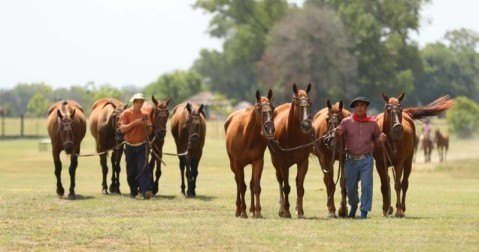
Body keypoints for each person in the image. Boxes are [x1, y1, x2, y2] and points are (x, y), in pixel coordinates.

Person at [336, 96, 387, 219]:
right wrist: (337, 134)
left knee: (366, 185)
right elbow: (338, 139)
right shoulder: (346, 122)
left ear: (366, 108)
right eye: (357, 105)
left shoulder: (373, 123)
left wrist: (381, 139)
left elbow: (376, 138)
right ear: (354, 108)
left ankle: (364, 211)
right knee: (350, 188)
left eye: (362, 105)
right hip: (350, 160)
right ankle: (353, 205)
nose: (360, 108)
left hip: (366, 160)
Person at [119, 93, 153, 200]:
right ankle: (133, 191)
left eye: (141, 102)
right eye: (137, 102)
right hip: (129, 146)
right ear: (133, 102)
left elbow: (150, 131)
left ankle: (145, 191)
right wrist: (135, 123)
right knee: (131, 171)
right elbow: (122, 129)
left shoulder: (145, 114)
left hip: (142, 145)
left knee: (143, 168)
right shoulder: (126, 113)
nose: (139, 104)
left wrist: (148, 126)